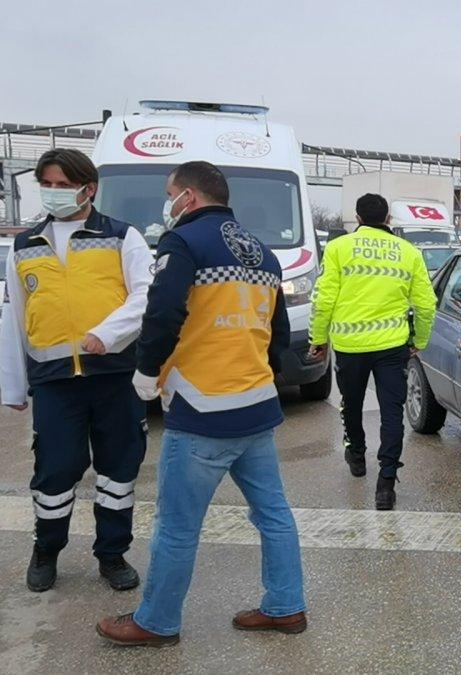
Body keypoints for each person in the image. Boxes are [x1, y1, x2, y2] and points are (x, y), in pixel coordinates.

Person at [97, 161, 306, 647]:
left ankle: (156, 622)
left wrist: (146, 370)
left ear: (188, 197)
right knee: (274, 515)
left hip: (202, 408)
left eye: (169, 193)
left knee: (176, 526)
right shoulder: (263, 253)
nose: (167, 203)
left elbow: (162, 311)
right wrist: (260, 375)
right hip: (256, 405)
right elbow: (277, 333)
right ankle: (286, 606)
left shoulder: (184, 242)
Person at [0, 149, 152, 593]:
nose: (54, 192)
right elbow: (15, 318)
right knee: (55, 471)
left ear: (89, 189)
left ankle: (112, 554)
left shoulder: (122, 237)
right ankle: (46, 549)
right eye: (47, 184)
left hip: (115, 376)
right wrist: (13, 386)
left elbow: (147, 294)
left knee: (118, 471)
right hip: (55, 382)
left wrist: (108, 332)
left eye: (64, 185)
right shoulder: (25, 245)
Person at [308, 193, 436, 510]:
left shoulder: (338, 248)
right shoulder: (408, 252)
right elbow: (426, 304)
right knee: (392, 412)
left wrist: (318, 339)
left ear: (358, 218)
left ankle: (356, 455)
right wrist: (419, 340)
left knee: (351, 404)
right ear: (388, 219)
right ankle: (386, 483)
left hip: (350, 346)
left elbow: (323, 300)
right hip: (392, 347)